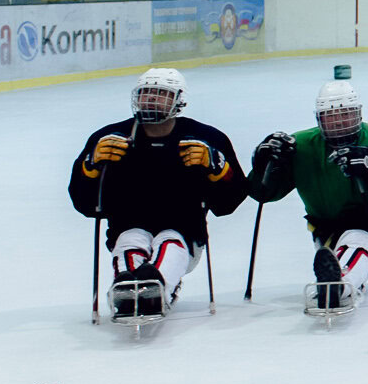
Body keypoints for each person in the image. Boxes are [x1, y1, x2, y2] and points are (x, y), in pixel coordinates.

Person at [67, 66, 248, 319]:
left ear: (179, 101)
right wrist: (90, 166)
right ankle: (130, 286)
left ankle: (153, 286)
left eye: (160, 93)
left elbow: (228, 203)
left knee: (171, 242)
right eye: (145, 93)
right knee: (131, 240)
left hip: (186, 234)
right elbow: (85, 204)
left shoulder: (206, 138)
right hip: (126, 228)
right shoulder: (108, 138)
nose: (151, 99)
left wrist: (217, 167)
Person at [248, 79, 368, 310]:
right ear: (319, 118)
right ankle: (338, 281)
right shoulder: (303, 146)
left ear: (358, 114)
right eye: (330, 116)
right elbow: (263, 194)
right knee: (347, 244)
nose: (338, 122)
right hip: (327, 229)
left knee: (359, 238)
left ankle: (340, 285)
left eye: (345, 114)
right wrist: (265, 166)